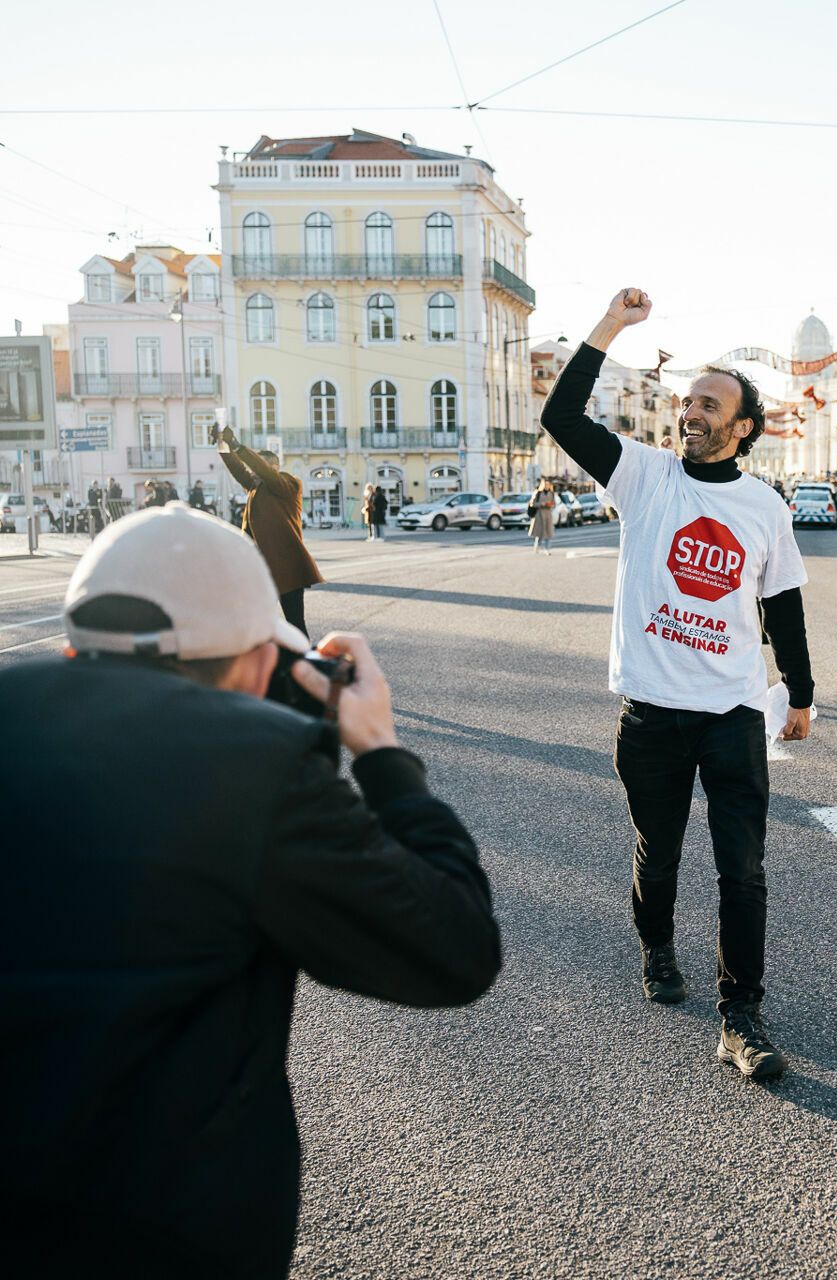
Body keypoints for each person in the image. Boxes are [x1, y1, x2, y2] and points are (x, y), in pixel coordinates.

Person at [0, 504, 500, 1278]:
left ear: (74, 651)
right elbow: (455, 950)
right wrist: (381, 755)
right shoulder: (260, 773)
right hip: (169, 1232)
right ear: (256, 664)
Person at [542, 288, 814, 1082]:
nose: (691, 412)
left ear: (743, 428)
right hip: (653, 714)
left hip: (731, 714)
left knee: (744, 869)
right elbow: (562, 418)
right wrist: (611, 327)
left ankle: (741, 1014)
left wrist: (798, 692)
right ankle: (656, 945)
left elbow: (784, 606)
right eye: (688, 400)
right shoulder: (643, 475)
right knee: (658, 854)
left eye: (709, 404)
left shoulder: (765, 508)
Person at [217, 425, 322, 639]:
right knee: (259, 618)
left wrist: (237, 445)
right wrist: (223, 445)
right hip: (263, 567)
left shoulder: (289, 484)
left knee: (294, 622)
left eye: (260, 467)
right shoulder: (256, 487)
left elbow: (264, 472)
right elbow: (239, 470)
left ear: (274, 467)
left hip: (287, 567)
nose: (253, 472)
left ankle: (303, 661)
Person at [527, 479, 558, 555]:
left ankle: (547, 549)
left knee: (548, 532)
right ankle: (537, 546)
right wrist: (541, 504)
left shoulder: (551, 493)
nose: (547, 486)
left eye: (548, 484)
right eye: (545, 484)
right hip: (539, 515)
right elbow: (532, 503)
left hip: (548, 515)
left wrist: (551, 505)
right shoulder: (538, 493)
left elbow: (554, 504)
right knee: (539, 533)